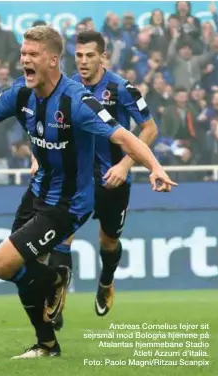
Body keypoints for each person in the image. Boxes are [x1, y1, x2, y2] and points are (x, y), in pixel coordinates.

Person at [0, 25, 176, 359]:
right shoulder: (21, 94)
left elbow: (124, 136)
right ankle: (47, 344)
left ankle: (55, 279)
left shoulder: (77, 101)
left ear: (53, 60)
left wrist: (154, 166)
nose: (24, 59)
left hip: (69, 204)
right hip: (37, 194)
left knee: (1, 263)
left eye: (32, 54)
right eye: (23, 53)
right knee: (17, 271)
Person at [50, 30, 159, 331]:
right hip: (77, 179)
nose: (83, 62)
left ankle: (106, 281)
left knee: (108, 241)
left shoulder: (122, 88)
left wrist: (125, 164)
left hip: (114, 178)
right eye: (79, 56)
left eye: (90, 55)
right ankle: (57, 297)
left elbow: (149, 129)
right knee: (61, 236)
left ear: (103, 56)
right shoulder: (66, 87)